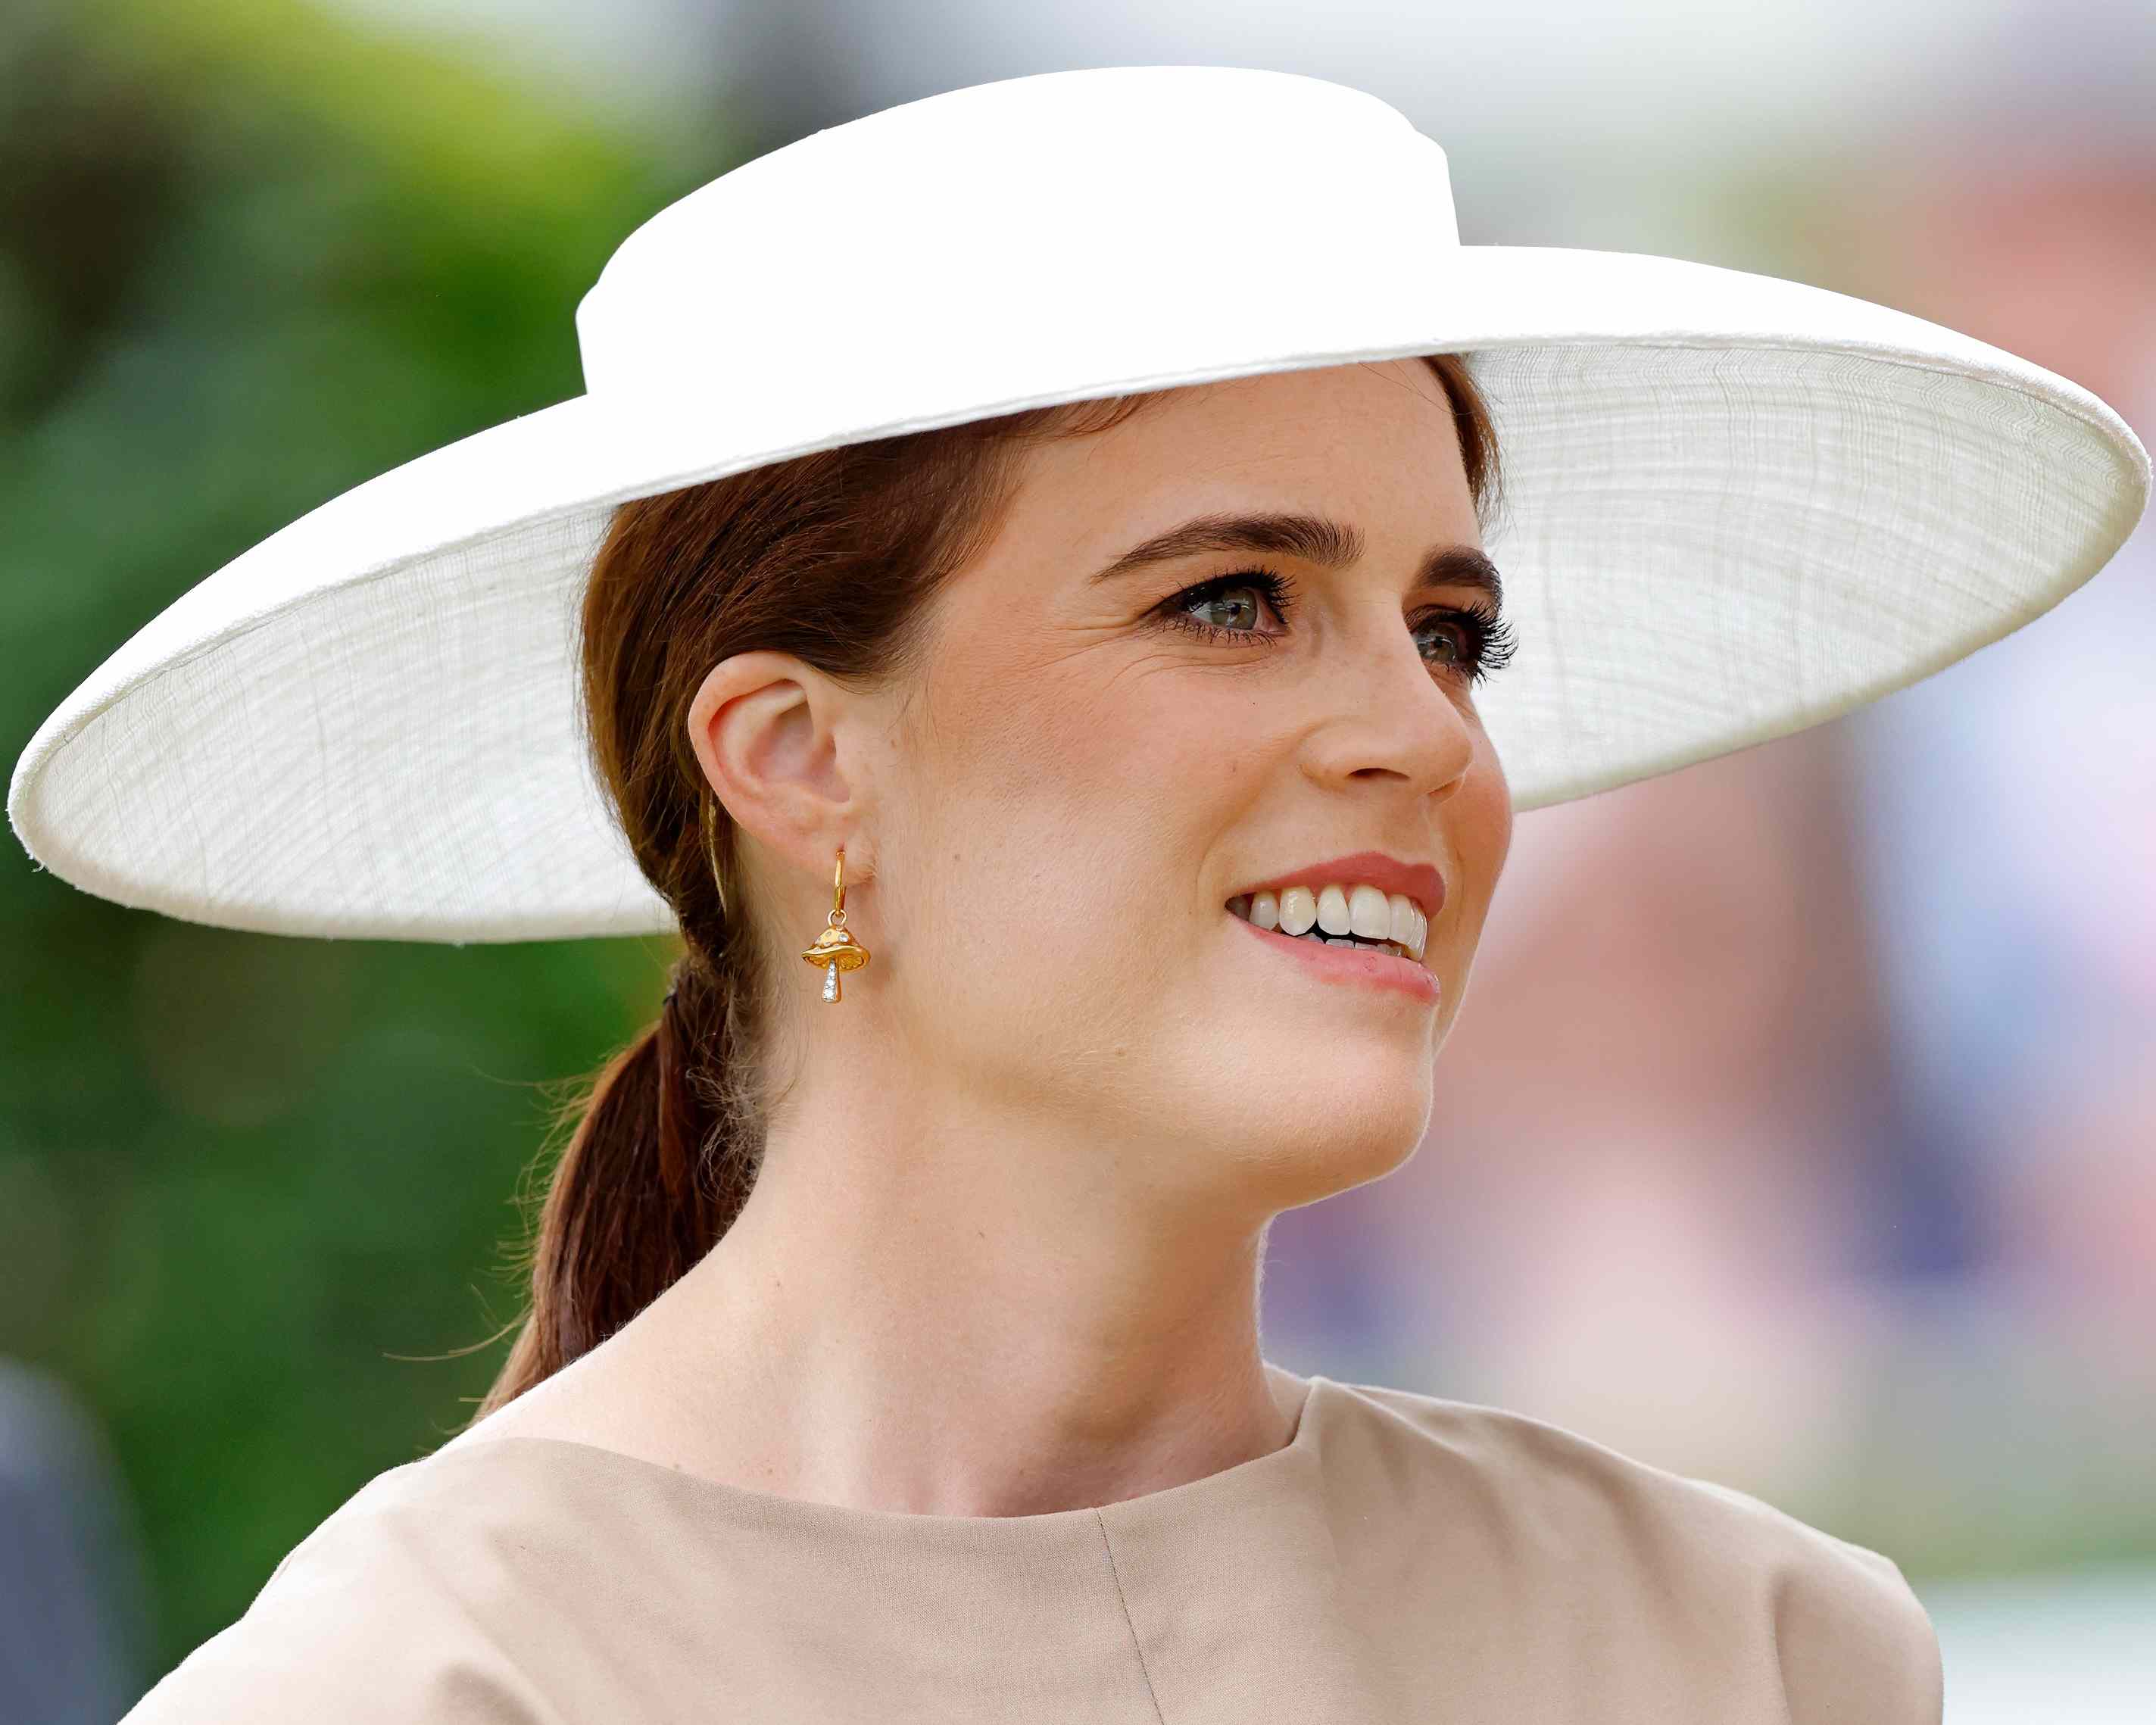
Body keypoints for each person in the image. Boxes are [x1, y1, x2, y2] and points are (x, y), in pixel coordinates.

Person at [9, 64, 2147, 1723]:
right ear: (799, 758)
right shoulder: (424, 1689)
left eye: (1451, 632)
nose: (1425, 734)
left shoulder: (1741, 1650)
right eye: (1233, 600)